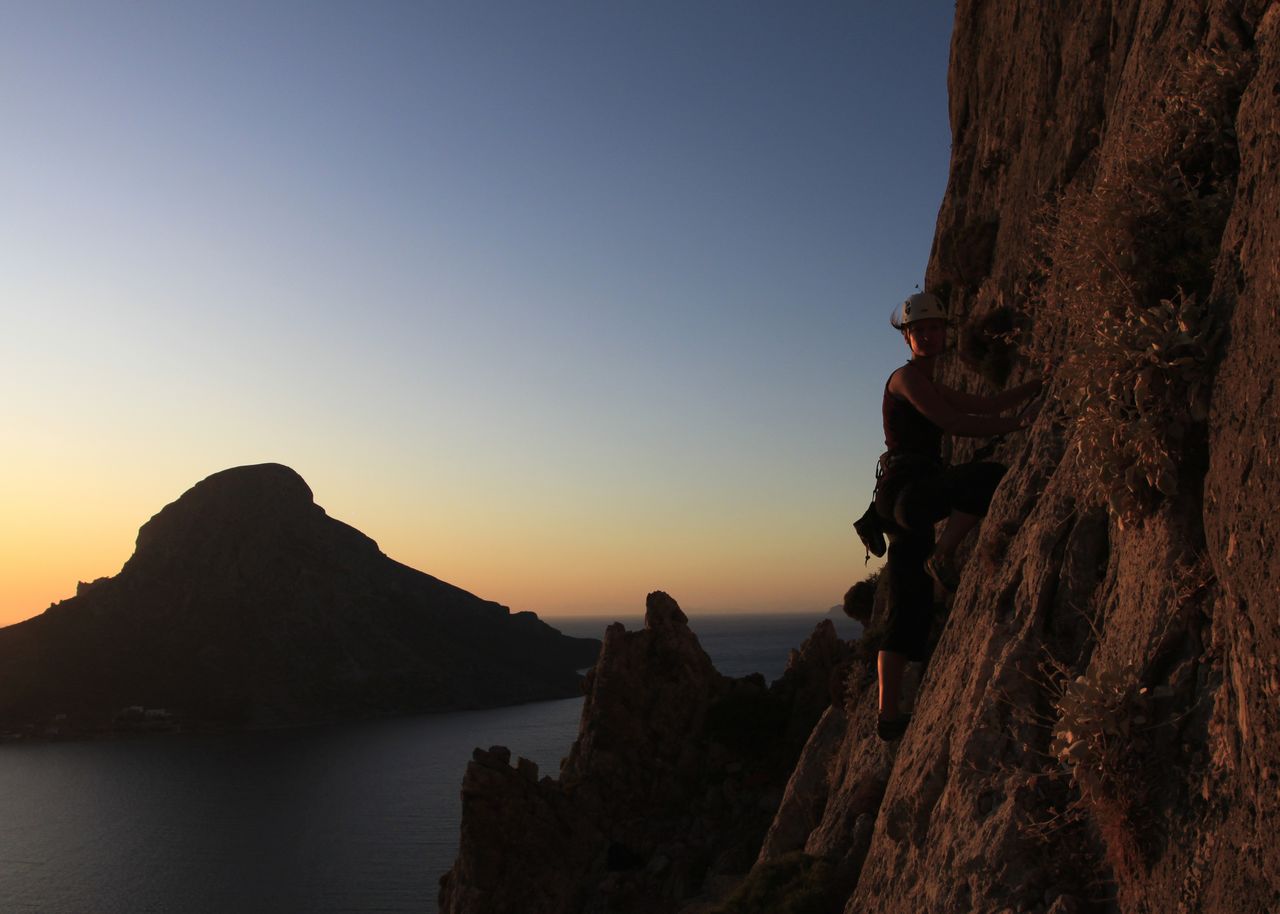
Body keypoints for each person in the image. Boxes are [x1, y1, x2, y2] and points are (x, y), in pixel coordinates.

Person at [872, 292, 1041, 741]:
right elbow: (954, 422)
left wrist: (1039, 384)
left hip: (904, 500)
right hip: (908, 491)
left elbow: (982, 406)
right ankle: (943, 555)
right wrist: (1018, 425)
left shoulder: (926, 380)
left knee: (909, 607)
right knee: (988, 478)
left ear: (944, 334)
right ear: (907, 338)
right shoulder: (907, 379)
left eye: (934, 328)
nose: (927, 335)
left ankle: (889, 718)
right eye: (918, 330)